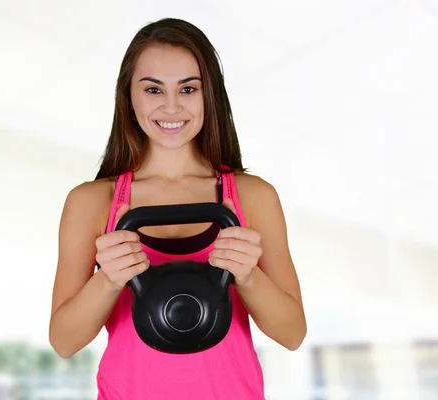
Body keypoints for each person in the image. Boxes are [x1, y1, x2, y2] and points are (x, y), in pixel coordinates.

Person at [48, 17, 306, 399]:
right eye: (153, 89)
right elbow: (64, 341)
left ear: (209, 96)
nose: (171, 107)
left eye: (188, 89)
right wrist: (109, 279)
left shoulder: (252, 196)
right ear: (129, 97)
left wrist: (249, 276)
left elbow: (292, 334)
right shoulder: (92, 202)